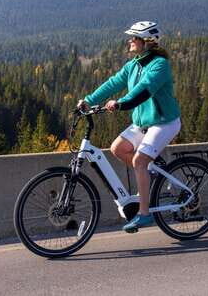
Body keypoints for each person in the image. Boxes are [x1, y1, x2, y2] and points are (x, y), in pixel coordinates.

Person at [78, 21, 181, 233]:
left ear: (147, 41)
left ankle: (145, 214)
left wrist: (120, 103)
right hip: (143, 123)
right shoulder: (134, 64)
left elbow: (144, 90)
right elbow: (113, 83)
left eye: (134, 37)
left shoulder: (159, 64)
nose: (130, 41)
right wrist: (88, 100)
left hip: (164, 122)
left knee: (139, 161)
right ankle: (152, 176)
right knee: (117, 148)